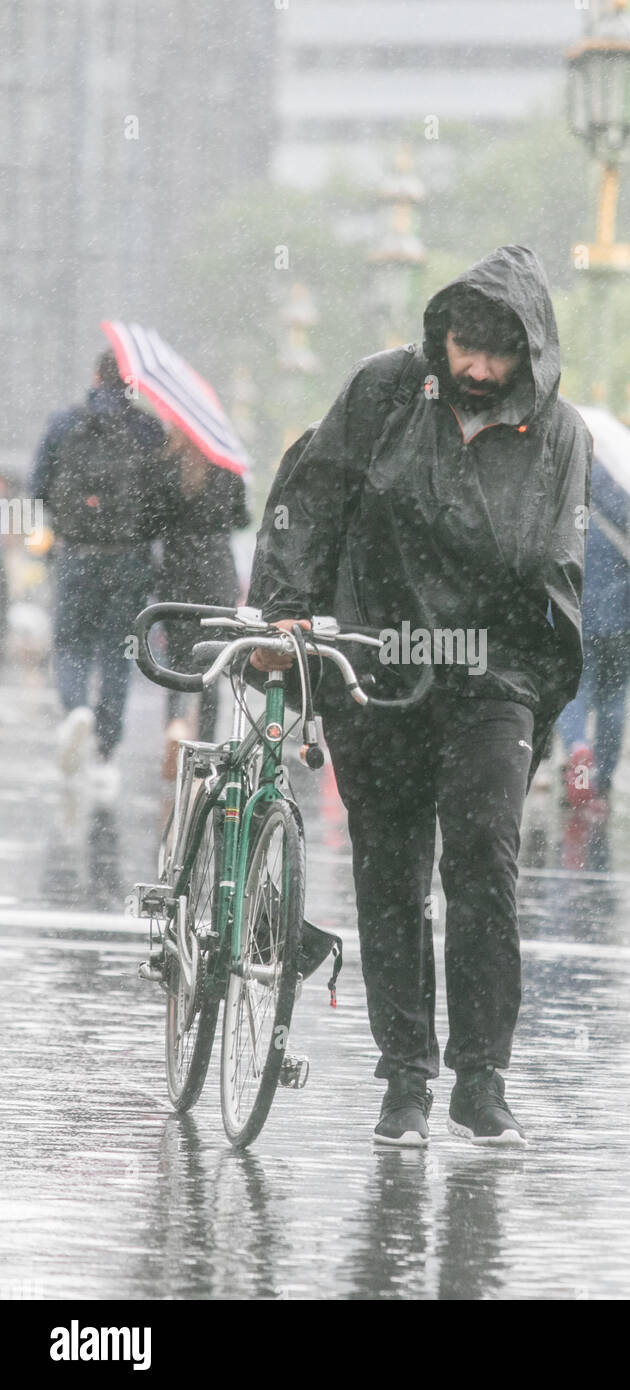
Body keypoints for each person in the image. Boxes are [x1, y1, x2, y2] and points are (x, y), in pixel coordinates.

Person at [247, 245, 592, 1148]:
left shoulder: (561, 439)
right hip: (379, 668)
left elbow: (558, 579)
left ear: (531, 355)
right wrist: (286, 617)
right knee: (390, 875)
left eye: (498, 354)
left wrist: (535, 705)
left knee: (483, 864)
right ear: (440, 334)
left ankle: (483, 1078)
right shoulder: (386, 392)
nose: (476, 369)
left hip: (491, 681)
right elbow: (310, 499)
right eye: (462, 346)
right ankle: (405, 1079)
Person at [30, 349, 165, 794]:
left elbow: (38, 487)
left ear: (95, 376)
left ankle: (74, 711)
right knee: (118, 652)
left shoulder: (65, 423)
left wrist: (65, 522)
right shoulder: (147, 430)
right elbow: (160, 502)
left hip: (77, 552)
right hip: (128, 556)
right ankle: (106, 752)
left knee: (69, 643)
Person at [155, 426, 250, 775]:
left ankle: (176, 726)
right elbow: (242, 518)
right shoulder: (227, 469)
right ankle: (206, 748)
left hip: (177, 578)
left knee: (177, 663)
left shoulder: (166, 467)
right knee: (212, 667)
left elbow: (153, 520)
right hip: (215, 578)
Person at [558, 455, 630, 812]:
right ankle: (603, 784)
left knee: (576, 690)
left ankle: (578, 747)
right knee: (615, 697)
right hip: (626, 611)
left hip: (577, 608)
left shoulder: (570, 478)